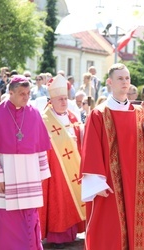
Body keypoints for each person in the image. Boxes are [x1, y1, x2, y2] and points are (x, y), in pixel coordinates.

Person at [80, 63, 144, 250]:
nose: (125, 82)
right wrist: (96, 183)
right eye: (120, 78)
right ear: (110, 82)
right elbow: (91, 149)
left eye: (127, 78)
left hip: (136, 183)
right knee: (109, 232)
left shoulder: (139, 113)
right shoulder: (99, 114)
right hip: (109, 186)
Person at [0, 75, 51, 250]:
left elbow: (40, 147)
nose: (26, 97)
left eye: (28, 93)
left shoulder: (35, 114)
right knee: (4, 227)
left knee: (27, 226)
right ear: (10, 93)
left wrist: (40, 174)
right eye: (22, 93)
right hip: (4, 183)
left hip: (28, 180)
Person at [39, 75, 85, 248]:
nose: (64, 102)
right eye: (60, 99)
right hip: (55, 168)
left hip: (74, 164)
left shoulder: (73, 116)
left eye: (65, 98)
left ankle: (72, 232)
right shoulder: (44, 119)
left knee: (73, 198)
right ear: (51, 101)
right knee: (58, 199)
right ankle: (57, 235)